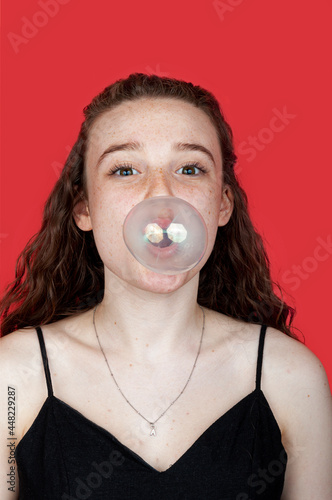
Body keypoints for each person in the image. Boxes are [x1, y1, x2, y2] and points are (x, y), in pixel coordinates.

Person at [0, 73, 331, 500]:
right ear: (83, 207)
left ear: (222, 203)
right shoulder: (13, 376)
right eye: (125, 170)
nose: (162, 197)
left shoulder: (289, 376)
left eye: (190, 169)